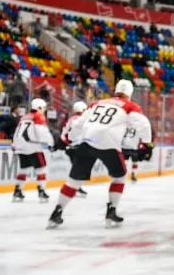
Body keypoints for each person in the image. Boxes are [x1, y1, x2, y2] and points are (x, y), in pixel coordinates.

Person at [49, 79, 151, 228]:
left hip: (87, 140)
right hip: (108, 143)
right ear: (129, 93)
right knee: (119, 177)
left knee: (73, 181)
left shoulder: (98, 103)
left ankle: (57, 212)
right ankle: (111, 210)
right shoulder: (130, 106)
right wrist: (147, 144)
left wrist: (68, 139)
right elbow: (143, 124)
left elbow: (79, 123)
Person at [12, 99, 53, 203]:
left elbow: (17, 131)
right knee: (41, 169)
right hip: (33, 145)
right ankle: (41, 190)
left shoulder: (24, 117)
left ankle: (17, 190)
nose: (44, 110)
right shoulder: (39, 116)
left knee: (23, 169)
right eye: (43, 108)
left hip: (21, 145)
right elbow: (41, 131)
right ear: (39, 107)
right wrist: (50, 143)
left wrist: (15, 144)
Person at [60, 100, 89, 198]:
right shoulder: (85, 119)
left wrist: (68, 143)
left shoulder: (70, 119)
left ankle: (75, 187)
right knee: (79, 168)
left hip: (71, 147)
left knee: (77, 167)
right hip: (80, 147)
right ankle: (74, 187)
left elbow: (63, 135)